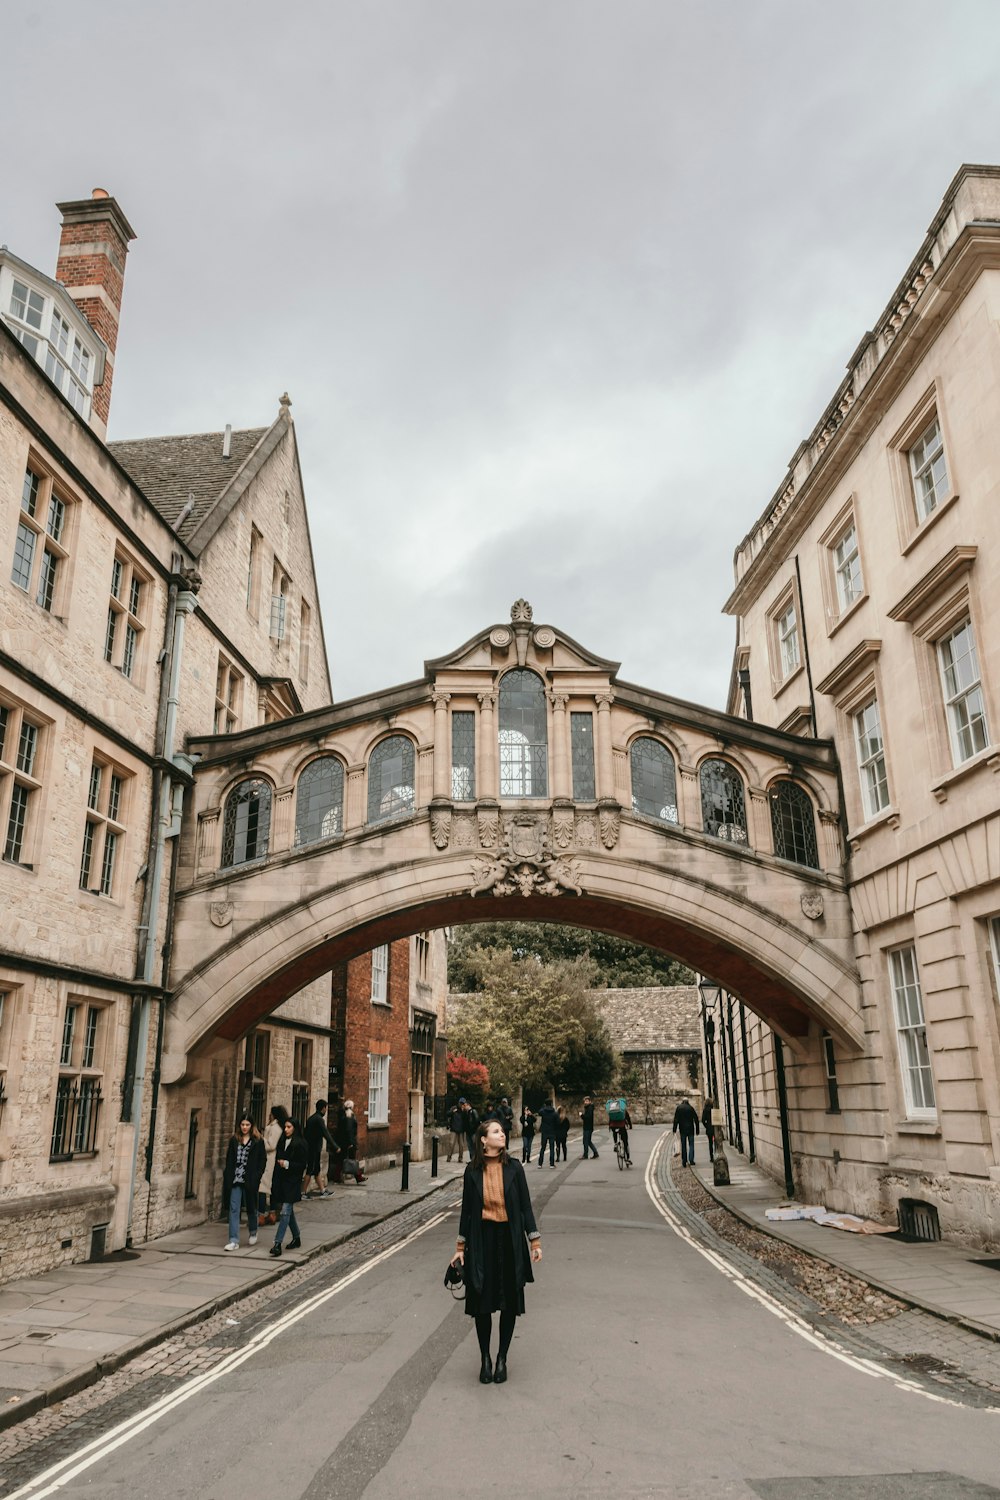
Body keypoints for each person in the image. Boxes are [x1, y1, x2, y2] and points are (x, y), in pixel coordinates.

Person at [451, 1119, 542, 1385]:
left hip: (510, 1240)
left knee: (509, 1304)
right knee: (482, 1304)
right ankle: (485, 1359)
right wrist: (459, 1248)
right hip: (482, 1241)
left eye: (502, 1131)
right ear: (483, 1140)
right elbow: (467, 1213)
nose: (502, 1134)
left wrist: (534, 1241)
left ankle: (502, 1357)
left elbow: (525, 1206)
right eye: (496, 1131)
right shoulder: (471, 1172)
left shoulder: (514, 1168)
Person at [222, 1114, 266, 1251]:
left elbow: (262, 1160)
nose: (245, 1127)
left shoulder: (258, 1141)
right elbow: (229, 1159)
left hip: (250, 1179)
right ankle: (233, 1240)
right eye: (242, 1125)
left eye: (247, 1125)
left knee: (251, 1208)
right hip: (235, 1179)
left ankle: (253, 1231)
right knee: (234, 1209)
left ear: (252, 1126)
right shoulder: (234, 1140)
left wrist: (257, 1176)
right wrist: (227, 1174)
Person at [270, 1117, 307, 1255]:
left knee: (285, 1211)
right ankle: (296, 1238)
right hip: (281, 1181)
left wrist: (287, 1164)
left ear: (295, 1128)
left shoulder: (301, 1143)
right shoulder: (281, 1141)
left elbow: (302, 1165)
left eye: (289, 1127)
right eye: (285, 1127)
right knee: (288, 1212)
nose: (286, 1130)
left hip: (293, 1182)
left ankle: (277, 1244)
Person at [259, 1103, 288, 1224]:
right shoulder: (275, 1126)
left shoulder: (275, 1127)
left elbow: (271, 1145)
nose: (269, 1115)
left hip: (269, 1160)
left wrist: (260, 1138)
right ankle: (270, 1214)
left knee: (262, 1187)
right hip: (269, 1160)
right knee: (269, 1188)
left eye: (270, 1113)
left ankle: (261, 1216)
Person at [302, 1099, 335, 1198]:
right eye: (326, 1108)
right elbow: (326, 1134)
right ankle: (303, 1193)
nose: (326, 1110)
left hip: (311, 1147)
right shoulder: (319, 1119)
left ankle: (322, 1190)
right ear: (323, 1108)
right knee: (310, 1169)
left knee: (316, 1170)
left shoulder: (311, 1118)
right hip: (314, 1148)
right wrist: (335, 1146)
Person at [335, 1098, 366, 1183]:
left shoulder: (343, 1115)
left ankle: (338, 1177)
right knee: (352, 1160)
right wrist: (351, 1143)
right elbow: (349, 1131)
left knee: (342, 1160)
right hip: (348, 1142)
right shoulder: (349, 1116)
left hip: (342, 1142)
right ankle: (358, 1177)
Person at [673, 1097, 701, 1167]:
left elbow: (676, 1119)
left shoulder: (679, 1108)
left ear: (682, 1101)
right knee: (691, 1145)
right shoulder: (690, 1108)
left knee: (683, 1145)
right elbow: (696, 1119)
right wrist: (697, 1130)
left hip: (682, 1129)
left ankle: (684, 1161)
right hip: (690, 1129)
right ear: (688, 1101)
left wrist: (674, 1129)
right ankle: (691, 1160)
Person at [536, 1100, 558, 1167]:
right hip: (552, 1131)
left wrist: (543, 1107)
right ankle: (551, 1164)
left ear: (545, 1104)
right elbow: (557, 1122)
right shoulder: (554, 1112)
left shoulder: (543, 1111)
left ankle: (540, 1163)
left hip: (544, 1131)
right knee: (552, 1148)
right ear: (551, 1104)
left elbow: (539, 1112)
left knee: (543, 1147)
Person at [447, 1099, 467, 1163]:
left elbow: (466, 1118)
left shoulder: (464, 1111)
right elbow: (448, 1114)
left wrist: (464, 1111)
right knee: (451, 1143)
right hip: (454, 1128)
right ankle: (449, 1157)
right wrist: (452, 1112)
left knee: (461, 1145)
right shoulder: (454, 1108)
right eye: (461, 1103)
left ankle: (460, 1158)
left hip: (461, 1129)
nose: (461, 1105)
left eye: (463, 1103)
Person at [701, 1097, 716, 1163]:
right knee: (716, 1142)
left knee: (710, 1143)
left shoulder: (705, 1110)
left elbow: (703, 1120)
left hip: (709, 1128)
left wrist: (707, 1126)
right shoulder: (713, 1109)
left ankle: (711, 1157)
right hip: (715, 1127)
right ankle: (716, 1155)